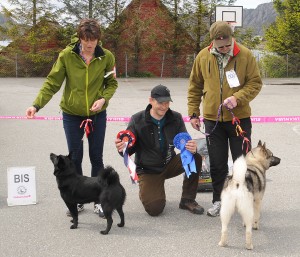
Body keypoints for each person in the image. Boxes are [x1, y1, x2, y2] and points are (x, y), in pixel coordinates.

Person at [26, 18, 118, 217]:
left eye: (93, 40)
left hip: (97, 114)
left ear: (98, 39)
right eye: (86, 41)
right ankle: (76, 200)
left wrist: (103, 99)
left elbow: (112, 84)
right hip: (71, 115)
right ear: (80, 37)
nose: (90, 45)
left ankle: (98, 200)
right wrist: (36, 105)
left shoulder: (107, 57)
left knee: (97, 158)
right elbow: (52, 83)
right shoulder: (67, 55)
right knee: (74, 158)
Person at [187, 21, 262, 217]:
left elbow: (255, 83)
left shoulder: (245, 55)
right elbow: (195, 85)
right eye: (220, 46)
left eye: (227, 45)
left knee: (242, 163)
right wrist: (194, 112)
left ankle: (244, 200)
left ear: (231, 38)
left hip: (239, 119)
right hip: (213, 120)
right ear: (212, 43)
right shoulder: (203, 56)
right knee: (218, 164)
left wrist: (237, 98)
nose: (224, 49)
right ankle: (219, 200)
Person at [115, 84, 204, 217]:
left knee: (194, 156)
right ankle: (147, 188)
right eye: (160, 102)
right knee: (155, 209)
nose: (164, 106)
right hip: (148, 169)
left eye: (167, 102)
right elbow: (129, 148)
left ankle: (187, 199)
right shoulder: (137, 119)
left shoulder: (176, 117)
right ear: (151, 100)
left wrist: (191, 147)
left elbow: (185, 141)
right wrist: (122, 148)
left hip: (169, 163)